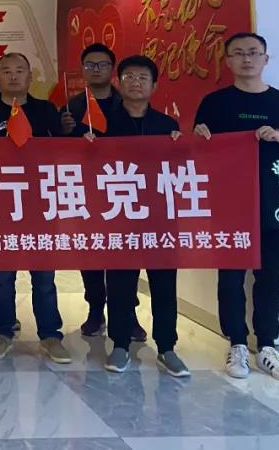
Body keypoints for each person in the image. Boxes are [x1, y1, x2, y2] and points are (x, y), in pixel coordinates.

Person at [194, 32, 279, 383]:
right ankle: (236, 344)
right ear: (227, 61)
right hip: (230, 207)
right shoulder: (215, 103)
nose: (246, 59)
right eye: (238, 53)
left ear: (265, 59)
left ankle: (267, 346)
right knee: (230, 280)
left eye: (253, 52)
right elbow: (199, 152)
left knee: (271, 279)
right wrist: (199, 138)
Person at [83, 55, 188, 377]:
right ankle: (119, 344)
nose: (136, 83)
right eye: (129, 77)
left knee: (164, 284)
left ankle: (167, 347)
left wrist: (182, 145)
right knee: (120, 283)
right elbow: (86, 169)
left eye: (143, 78)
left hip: (159, 218)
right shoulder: (101, 124)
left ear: (154, 86)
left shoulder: (167, 126)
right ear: (119, 82)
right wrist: (85, 146)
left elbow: (181, 169)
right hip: (119, 216)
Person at [0, 52, 70, 365]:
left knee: (44, 277)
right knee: (0, 276)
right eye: (6, 71)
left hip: (40, 206)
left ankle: (50, 335)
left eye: (19, 70)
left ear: (29, 77)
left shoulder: (46, 111)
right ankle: (1, 332)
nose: (13, 76)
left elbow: (62, 154)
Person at [60, 43, 131, 339]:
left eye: (102, 65)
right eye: (90, 65)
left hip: (122, 190)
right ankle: (95, 310)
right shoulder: (71, 108)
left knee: (124, 255)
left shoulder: (128, 102)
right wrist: (65, 132)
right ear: (83, 70)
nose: (96, 70)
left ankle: (127, 314)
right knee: (90, 254)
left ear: (112, 69)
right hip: (86, 192)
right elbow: (58, 152)